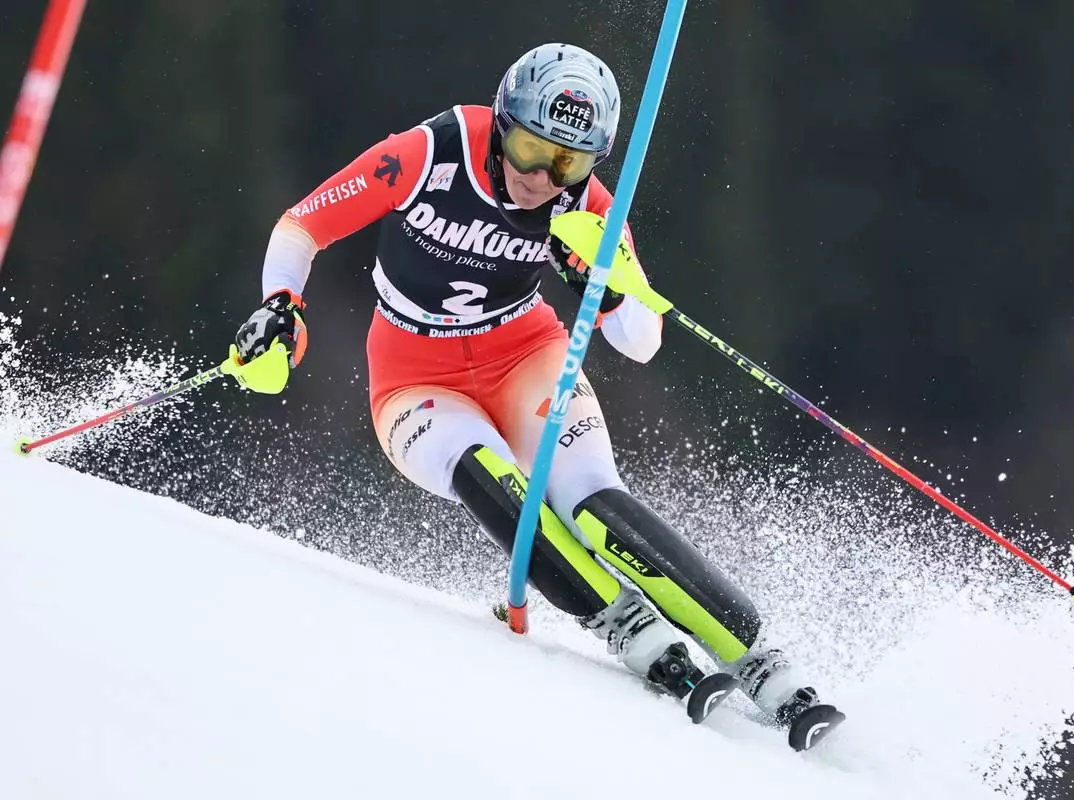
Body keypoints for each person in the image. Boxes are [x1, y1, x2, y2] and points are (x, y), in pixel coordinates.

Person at [234, 42, 823, 724]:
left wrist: (602, 289)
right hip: (413, 379)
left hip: (525, 356)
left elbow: (641, 340)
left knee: (591, 503)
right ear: (503, 125)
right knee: (494, 482)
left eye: (568, 162)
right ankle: (627, 627)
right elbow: (303, 224)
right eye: (533, 150)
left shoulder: (591, 204)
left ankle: (761, 662)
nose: (544, 178)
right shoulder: (434, 150)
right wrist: (281, 302)